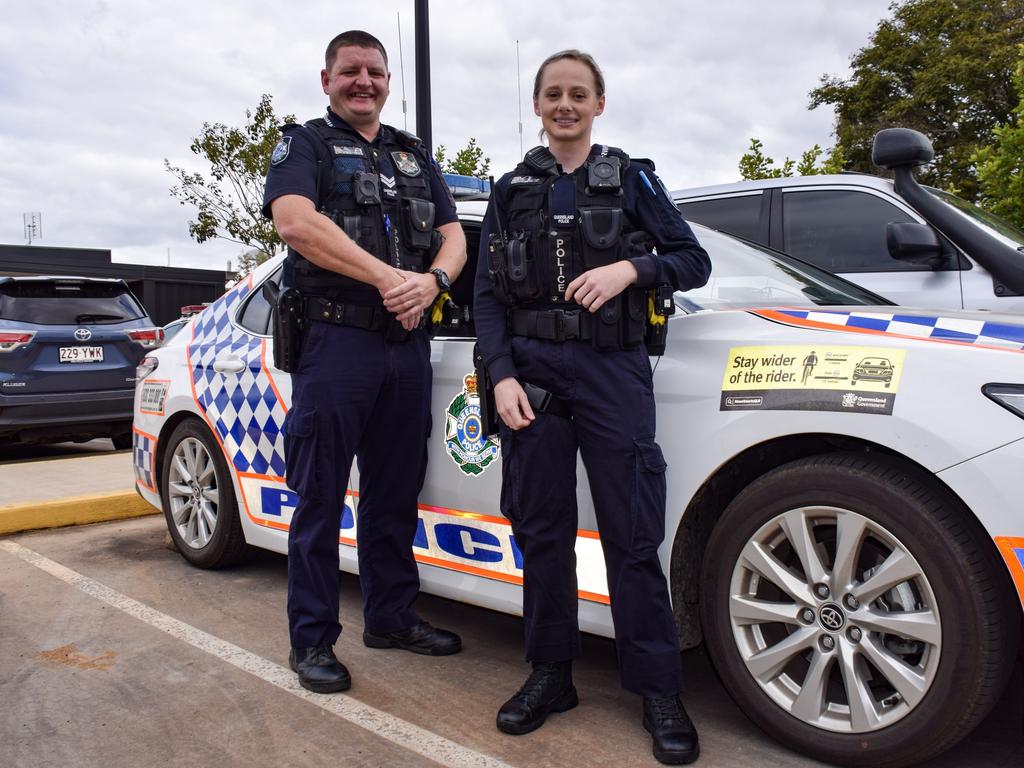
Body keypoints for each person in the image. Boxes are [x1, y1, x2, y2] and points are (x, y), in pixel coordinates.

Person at [474, 50, 711, 764]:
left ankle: (657, 687)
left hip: (613, 369)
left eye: (579, 94)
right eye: (553, 94)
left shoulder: (632, 176)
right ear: (539, 105)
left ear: (598, 104)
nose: (566, 105)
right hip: (535, 373)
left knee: (632, 534)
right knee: (540, 529)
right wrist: (500, 376)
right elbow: (487, 296)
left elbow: (691, 260)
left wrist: (630, 269)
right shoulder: (512, 188)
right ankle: (550, 673)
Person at [262, 30, 467, 694]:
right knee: (320, 497)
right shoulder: (306, 145)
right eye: (350, 71)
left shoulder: (412, 155)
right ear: (327, 80)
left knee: (394, 493)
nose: (364, 81)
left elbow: (453, 235)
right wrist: (388, 278)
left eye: (374, 72)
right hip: (336, 343)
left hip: (406, 344)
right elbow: (293, 221)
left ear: (386, 80)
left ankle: (391, 617)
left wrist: (430, 283)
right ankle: (313, 640)